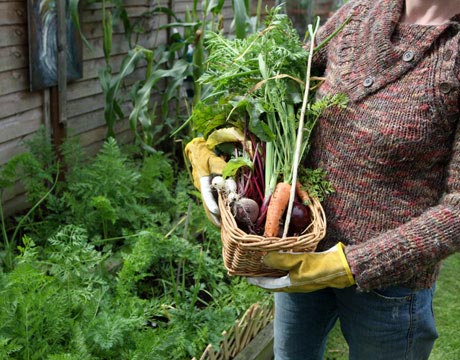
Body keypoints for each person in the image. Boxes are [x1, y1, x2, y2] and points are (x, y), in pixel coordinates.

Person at [186, 0, 460, 358]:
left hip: (390, 286)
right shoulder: (360, 13)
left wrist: (349, 264)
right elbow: (278, 85)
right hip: (300, 250)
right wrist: (215, 148)